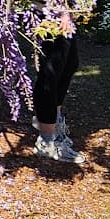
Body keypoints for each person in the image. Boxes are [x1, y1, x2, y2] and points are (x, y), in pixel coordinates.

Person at [32, 19, 85, 165]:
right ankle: (47, 140)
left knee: (70, 64)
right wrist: (62, 12)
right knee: (50, 72)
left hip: (62, 8)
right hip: (49, 11)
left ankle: (56, 125)